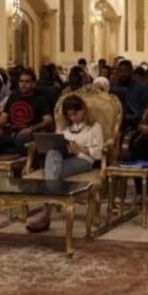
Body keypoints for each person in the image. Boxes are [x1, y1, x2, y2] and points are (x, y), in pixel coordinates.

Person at [25, 95, 104, 233]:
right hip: (63, 159)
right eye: (69, 115)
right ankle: (48, 210)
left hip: (84, 160)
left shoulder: (94, 127)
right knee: (52, 154)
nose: (73, 118)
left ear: (83, 110)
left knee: (52, 172)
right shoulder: (65, 129)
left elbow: (98, 153)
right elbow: (57, 144)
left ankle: (46, 213)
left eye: (75, 114)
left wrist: (80, 149)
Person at [0, 67, 53, 155]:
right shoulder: (13, 96)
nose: (23, 84)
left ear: (33, 84)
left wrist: (31, 129)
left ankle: (23, 162)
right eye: (21, 81)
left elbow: (49, 120)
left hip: (29, 133)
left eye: (27, 81)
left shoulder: (40, 99)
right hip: (11, 131)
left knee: (21, 138)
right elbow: (4, 116)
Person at [113, 59, 148, 132]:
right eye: (120, 71)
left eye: (125, 71)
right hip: (117, 121)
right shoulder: (114, 88)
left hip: (136, 122)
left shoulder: (141, 88)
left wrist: (135, 116)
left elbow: (147, 108)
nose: (122, 74)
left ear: (131, 72)